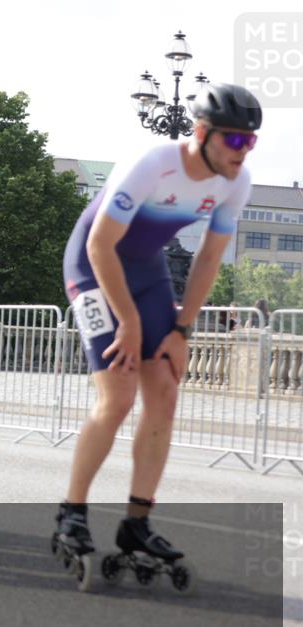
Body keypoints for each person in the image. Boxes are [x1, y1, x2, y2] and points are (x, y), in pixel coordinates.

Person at [57, 83, 261, 559]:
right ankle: (72, 514)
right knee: (119, 395)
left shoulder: (236, 181)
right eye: (234, 139)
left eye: (251, 141)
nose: (243, 151)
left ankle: (137, 522)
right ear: (201, 132)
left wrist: (182, 330)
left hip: (147, 272)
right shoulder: (152, 163)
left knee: (165, 394)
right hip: (92, 268)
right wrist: (126, 320)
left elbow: (210, 257)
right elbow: (98, 246)